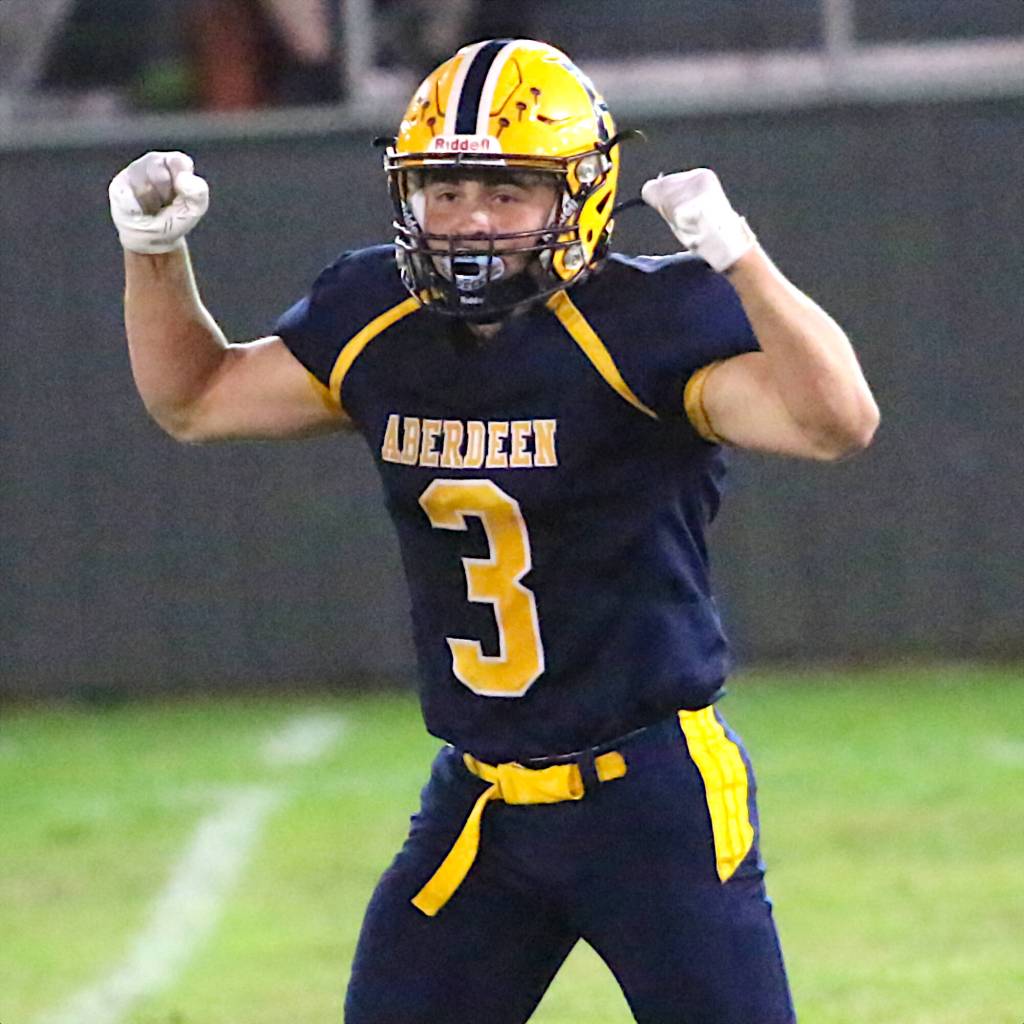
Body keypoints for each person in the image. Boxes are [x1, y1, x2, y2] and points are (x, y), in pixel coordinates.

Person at [109, 38, 878, 1024]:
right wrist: (153, 252)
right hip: (482, 798)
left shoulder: (645, 324)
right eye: (446, 189)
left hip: (648, 793)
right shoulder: (377, 317)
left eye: (509, 190)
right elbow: (196, 399)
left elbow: (836, 421)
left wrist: (740, 259)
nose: (472, 220)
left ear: (582, 196)